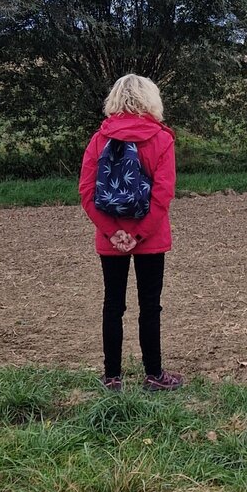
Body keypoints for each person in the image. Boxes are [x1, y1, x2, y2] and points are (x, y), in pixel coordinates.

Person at [79, 74, 181, 392]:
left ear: (114, 99)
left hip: (110, 237)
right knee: (150, 305)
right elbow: (162, 195)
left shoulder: (99, 139)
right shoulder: (161, 139)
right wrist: (138, 235)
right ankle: (154, 375)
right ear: (151, 99)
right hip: (151, 236)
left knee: (113, 304)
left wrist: (113, 232)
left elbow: (86, 192)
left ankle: (112, 377)